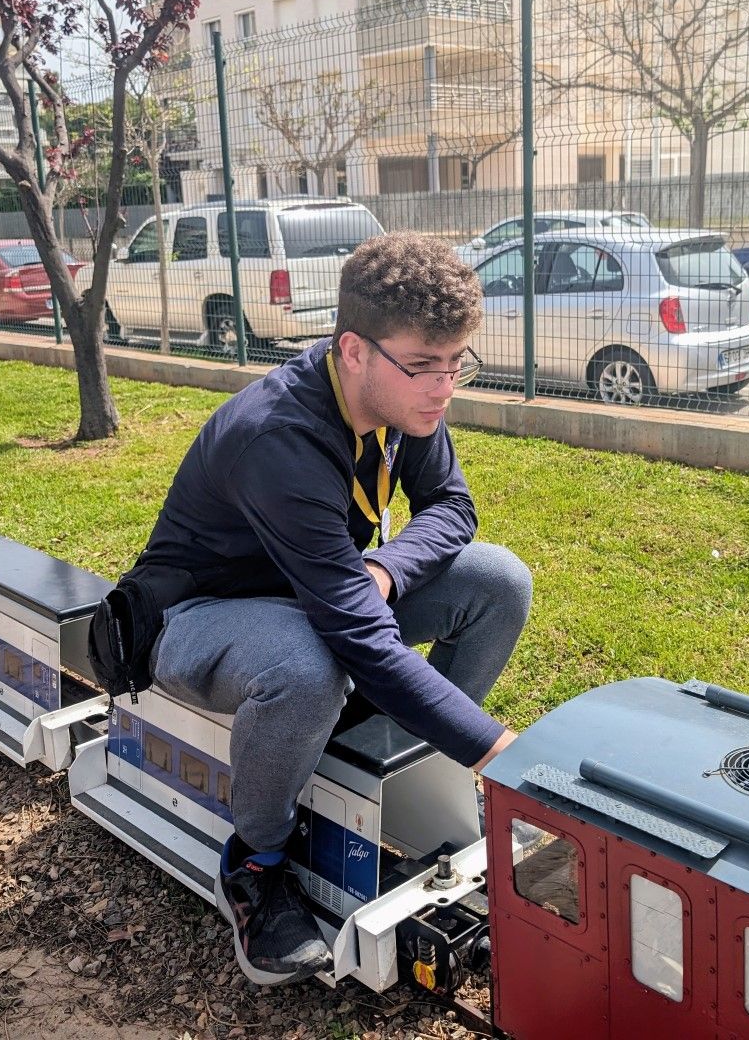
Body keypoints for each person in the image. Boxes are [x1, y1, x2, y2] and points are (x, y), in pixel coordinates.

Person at [133, 231, 532, 986]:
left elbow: (451, 508)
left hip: (316, 594)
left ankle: (390, 768)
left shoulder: (399, 398)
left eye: (455, 365)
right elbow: (360, 642)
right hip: (200, 616)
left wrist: (386, 565)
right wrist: (503, 754)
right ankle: (256, 861)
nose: (443, 389)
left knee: (496, 582)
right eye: (422, 366)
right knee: (309, 663)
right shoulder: (278, 438)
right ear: (353, 350)